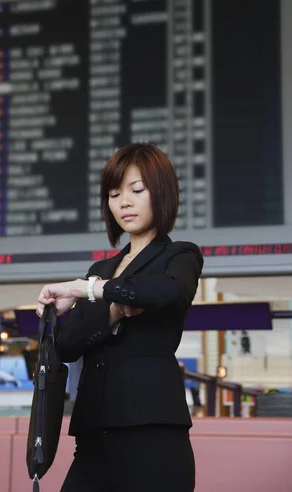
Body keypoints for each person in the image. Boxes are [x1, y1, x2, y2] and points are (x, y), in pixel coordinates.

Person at [36, 143, 203, 492]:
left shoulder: (180, 255)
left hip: (152, 431)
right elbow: (67, 346)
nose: (123, 202)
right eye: (114, 194)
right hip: (94, 434)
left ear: (162, 193)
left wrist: (90, 290)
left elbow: (165, 292)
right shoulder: (101, 269)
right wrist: (110, 311)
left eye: (136, 190)